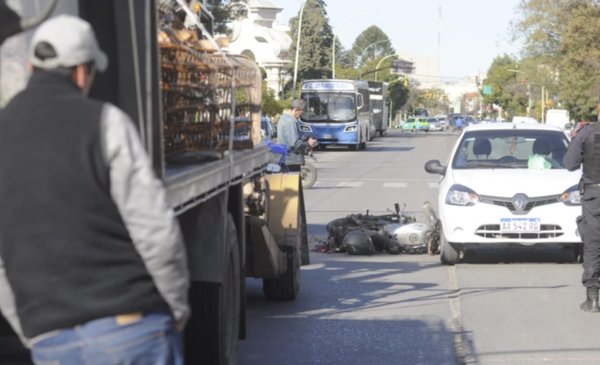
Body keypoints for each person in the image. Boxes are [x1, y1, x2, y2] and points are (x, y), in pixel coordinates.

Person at [0, 15, 190, 364]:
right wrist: (175, 306)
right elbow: (155, 231)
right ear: (82, 72)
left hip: (52, 342)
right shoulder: (106, 122)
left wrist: (34, 332)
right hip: (132, 329)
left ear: (30, 66)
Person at [564, 120, 600, 312]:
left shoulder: (587, 132)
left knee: (593, 244)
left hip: (594, 195)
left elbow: (570, 164)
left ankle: (593, 299)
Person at [277, 99, 318, 171]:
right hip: (291, 160)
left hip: (286, 158)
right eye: (301, 113)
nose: (300, 116)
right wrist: (308, 144)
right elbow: (295, 143)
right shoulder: (290, 122)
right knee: (293, 181)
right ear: (296, 110)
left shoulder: (284, 119)